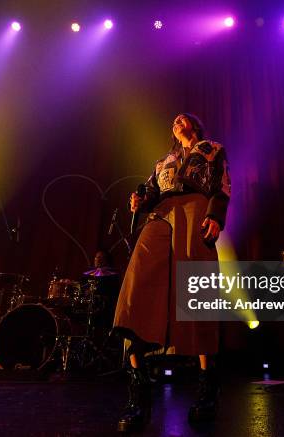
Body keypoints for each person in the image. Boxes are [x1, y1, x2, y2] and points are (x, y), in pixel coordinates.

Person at [113, 113, 231, 431]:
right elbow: (151, 192)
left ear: (195, 125)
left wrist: (216, 216)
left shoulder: (211, 148)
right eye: (174, 120)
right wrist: (140, 200)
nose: (177, 121)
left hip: (195, 208)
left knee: (196, 289)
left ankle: (208, 389)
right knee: (138, 286)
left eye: (183, 118)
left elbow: (221, 186)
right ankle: (139, 392)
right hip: (162, 213)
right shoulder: (163, 161)